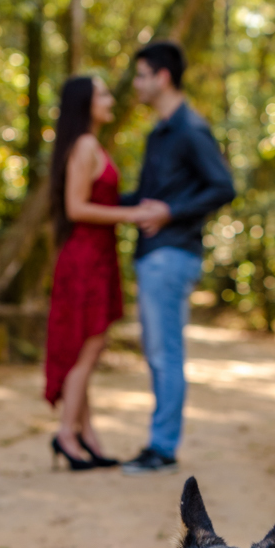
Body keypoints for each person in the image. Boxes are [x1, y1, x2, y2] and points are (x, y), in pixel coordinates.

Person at [120, 41, 236, 475]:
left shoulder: (190, 128)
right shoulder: (161, 132)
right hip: (154, 254)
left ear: (162, 76)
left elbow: (223, 186)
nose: (137, 84)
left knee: (165, 353)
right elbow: (148, 198)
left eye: (142, 75)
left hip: (172, 254)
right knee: (157, 352)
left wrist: (170, 213)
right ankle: (160, 443)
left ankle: (162, 447)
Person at [45, 75, 166, 470]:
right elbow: (76, 207)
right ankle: (67, 433)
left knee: (85, 348)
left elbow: (100, 198)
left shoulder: (91, 145)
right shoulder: (83, 145)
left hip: (97, 256)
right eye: (103, 94)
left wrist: (133, 204)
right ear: (85, 103)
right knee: (88, 348)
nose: (111, 99)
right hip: (85, 258)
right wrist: (132, 215)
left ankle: (86, 434)